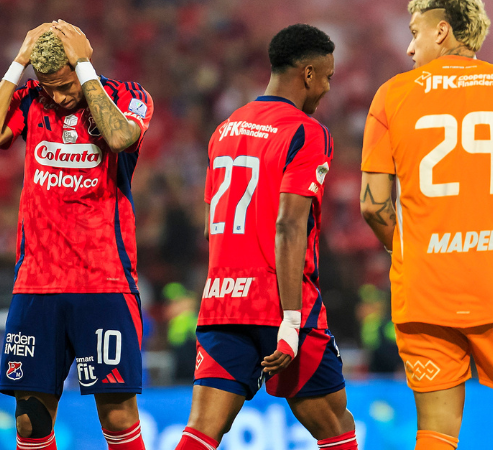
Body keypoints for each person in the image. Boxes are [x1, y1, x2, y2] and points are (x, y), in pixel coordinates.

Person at [358, 1, 493, 449]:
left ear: (441, 31)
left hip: (421, 292)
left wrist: (415, 254)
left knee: (435, 430)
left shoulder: (390, 95)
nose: (411, 48)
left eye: (415, 33)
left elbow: (373, 207)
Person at [0, 20, 153, 450]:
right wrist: (18, 63)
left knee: (118, 415)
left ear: (82, 66)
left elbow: (121, 137)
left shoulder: (128, 97)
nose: (59, 95)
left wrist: (84, 72)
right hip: (36, 284)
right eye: (48, 85)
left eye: (66, 84)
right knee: (30, 421)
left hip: (104, 281)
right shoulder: (31, 100)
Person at [174, 24, 357, 450]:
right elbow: (288, 225)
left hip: (222, 302)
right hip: (282, 305)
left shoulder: (225, 129)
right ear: (308, 73)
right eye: (327, 77)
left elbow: (209, 227)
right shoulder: (308, 132)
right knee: (336, 427)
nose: (328, 88)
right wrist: (291, 320)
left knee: (202, 430)